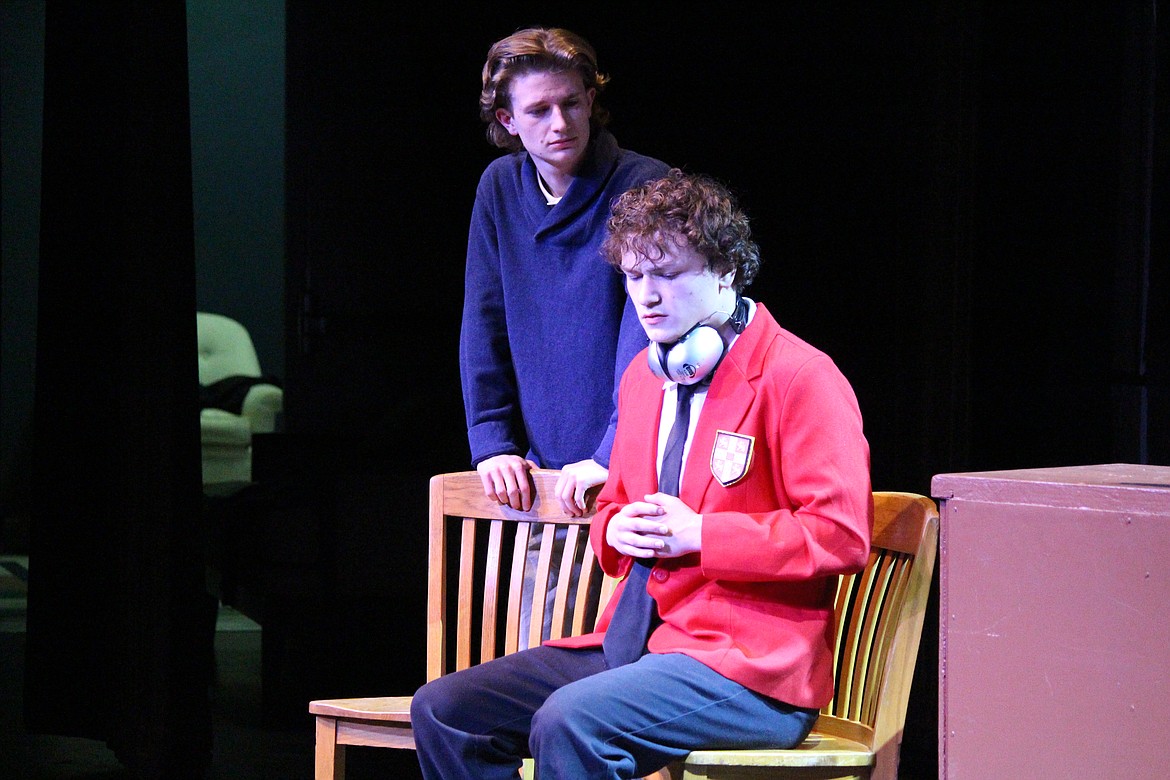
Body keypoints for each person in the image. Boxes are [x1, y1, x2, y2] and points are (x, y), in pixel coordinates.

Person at [412, 169, 873, 779]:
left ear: (726, 271)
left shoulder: (799, 378)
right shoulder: (644, 379)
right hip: (640, 645)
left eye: (668, 275)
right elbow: (612, 513)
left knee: (571, 719)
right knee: (446, 709)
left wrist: (702, 535)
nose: (646, 296)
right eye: (633, 276)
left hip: (748, 668)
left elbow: (839, 535)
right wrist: (619, 529)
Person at [460, 27, 670, 517]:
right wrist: (492, 442)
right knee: (542, 596)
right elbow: (483, 319)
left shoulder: (643, 185)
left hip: (635, 464)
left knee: (628, 593)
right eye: (538, 111)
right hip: (543, 472)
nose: (561, 123)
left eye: (572, 103)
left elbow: (649, 331)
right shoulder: (499, 188)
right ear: (507, 120)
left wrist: (613, 451)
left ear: (590, 99)